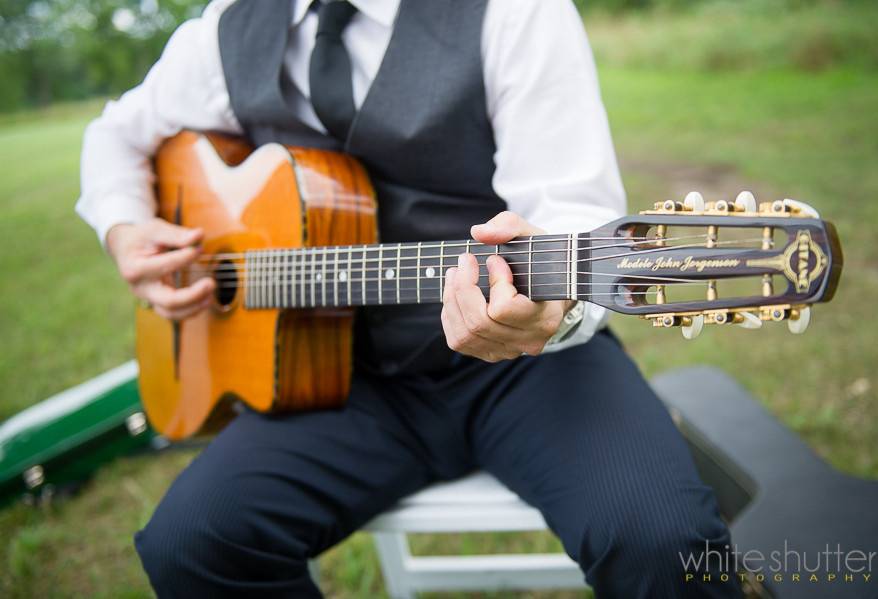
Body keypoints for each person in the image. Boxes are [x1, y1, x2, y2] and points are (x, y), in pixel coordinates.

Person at [77, 0, 739, 596]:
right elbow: (116, 134)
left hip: (532, 366)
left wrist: (547, 309)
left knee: (664, 542)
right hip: (341, 382)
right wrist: (125, 228)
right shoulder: (229, 26)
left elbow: (572, 216)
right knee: (191, 543)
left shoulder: (514, 11)